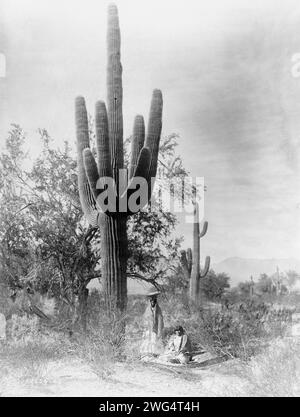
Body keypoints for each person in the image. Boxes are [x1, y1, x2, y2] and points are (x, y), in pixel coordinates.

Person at [140, 286, 164, 360]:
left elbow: (160, 320)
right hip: (148, 329)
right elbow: (145, 319)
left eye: (154, 301)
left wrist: (159, 331)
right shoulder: (148, 309)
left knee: (154, 340)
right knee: (147, 341)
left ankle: (154, 354)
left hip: (155, 329)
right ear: (150, 301)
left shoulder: (158, 310)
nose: (153, 302)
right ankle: (146, 354)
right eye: (152, 301)